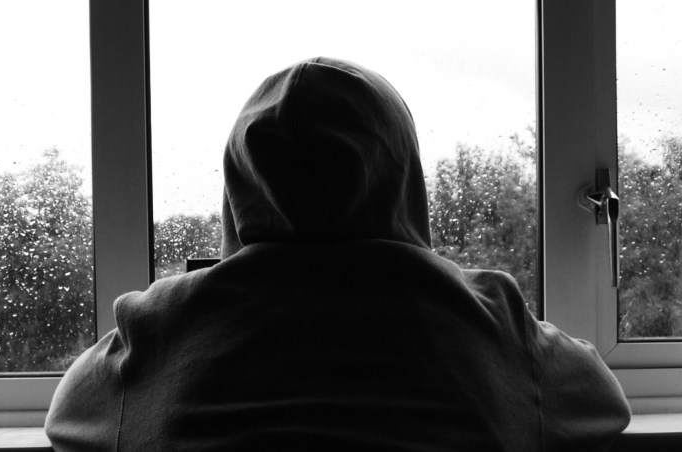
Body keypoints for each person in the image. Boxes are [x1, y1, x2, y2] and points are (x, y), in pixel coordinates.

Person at [46, 57, 631, 451]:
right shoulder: (488, 317)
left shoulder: (162, 324)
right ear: (404, 178)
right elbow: (602, 405)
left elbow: (69, 417)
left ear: (238, 187)